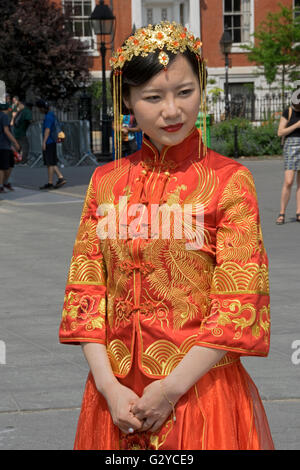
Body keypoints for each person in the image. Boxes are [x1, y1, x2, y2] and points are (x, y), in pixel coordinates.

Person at [58, 21, 274, 450]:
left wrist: (169, 391)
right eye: (153, 97)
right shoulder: (106, 182)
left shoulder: (230, 181)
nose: (172, 110)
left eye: (185, 92)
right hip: (116, 399)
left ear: (202, 87)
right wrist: (108, 387)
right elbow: (85, 290)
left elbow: (239, 301)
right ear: (127, 101)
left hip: (198, 394)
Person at [276, 97, 300, 224]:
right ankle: (282, 212)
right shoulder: (288, 112)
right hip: (291, 146)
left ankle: (299, 212)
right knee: (289, 181)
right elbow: (280, 132)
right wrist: (297, 125)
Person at [36, 99, 66, 190]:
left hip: (49, 142)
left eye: (39, 108)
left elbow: (47, 130)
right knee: (51, 162)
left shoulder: (48, 117)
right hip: (53, 141)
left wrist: (44, 142)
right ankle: (60, 178)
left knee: (50, 163)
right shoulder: (52, 115)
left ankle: (51, 182)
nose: (39, 110)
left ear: (42, 108)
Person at [0, 103, 21, 193]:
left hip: (6, 145)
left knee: (10, 164)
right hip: (3, 145)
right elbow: (6, 131)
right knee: (3, 167)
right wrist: (15, 143)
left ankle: (5, 183)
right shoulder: (4, 116)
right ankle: (1, 185)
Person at [13, 100, 32, 165]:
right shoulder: (26, 111)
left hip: (17, 132)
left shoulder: (20, 111)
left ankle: (15, 160)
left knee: (17, 146)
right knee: (25, 146)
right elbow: (28, 119)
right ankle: (23, 161)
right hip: (21, 132)